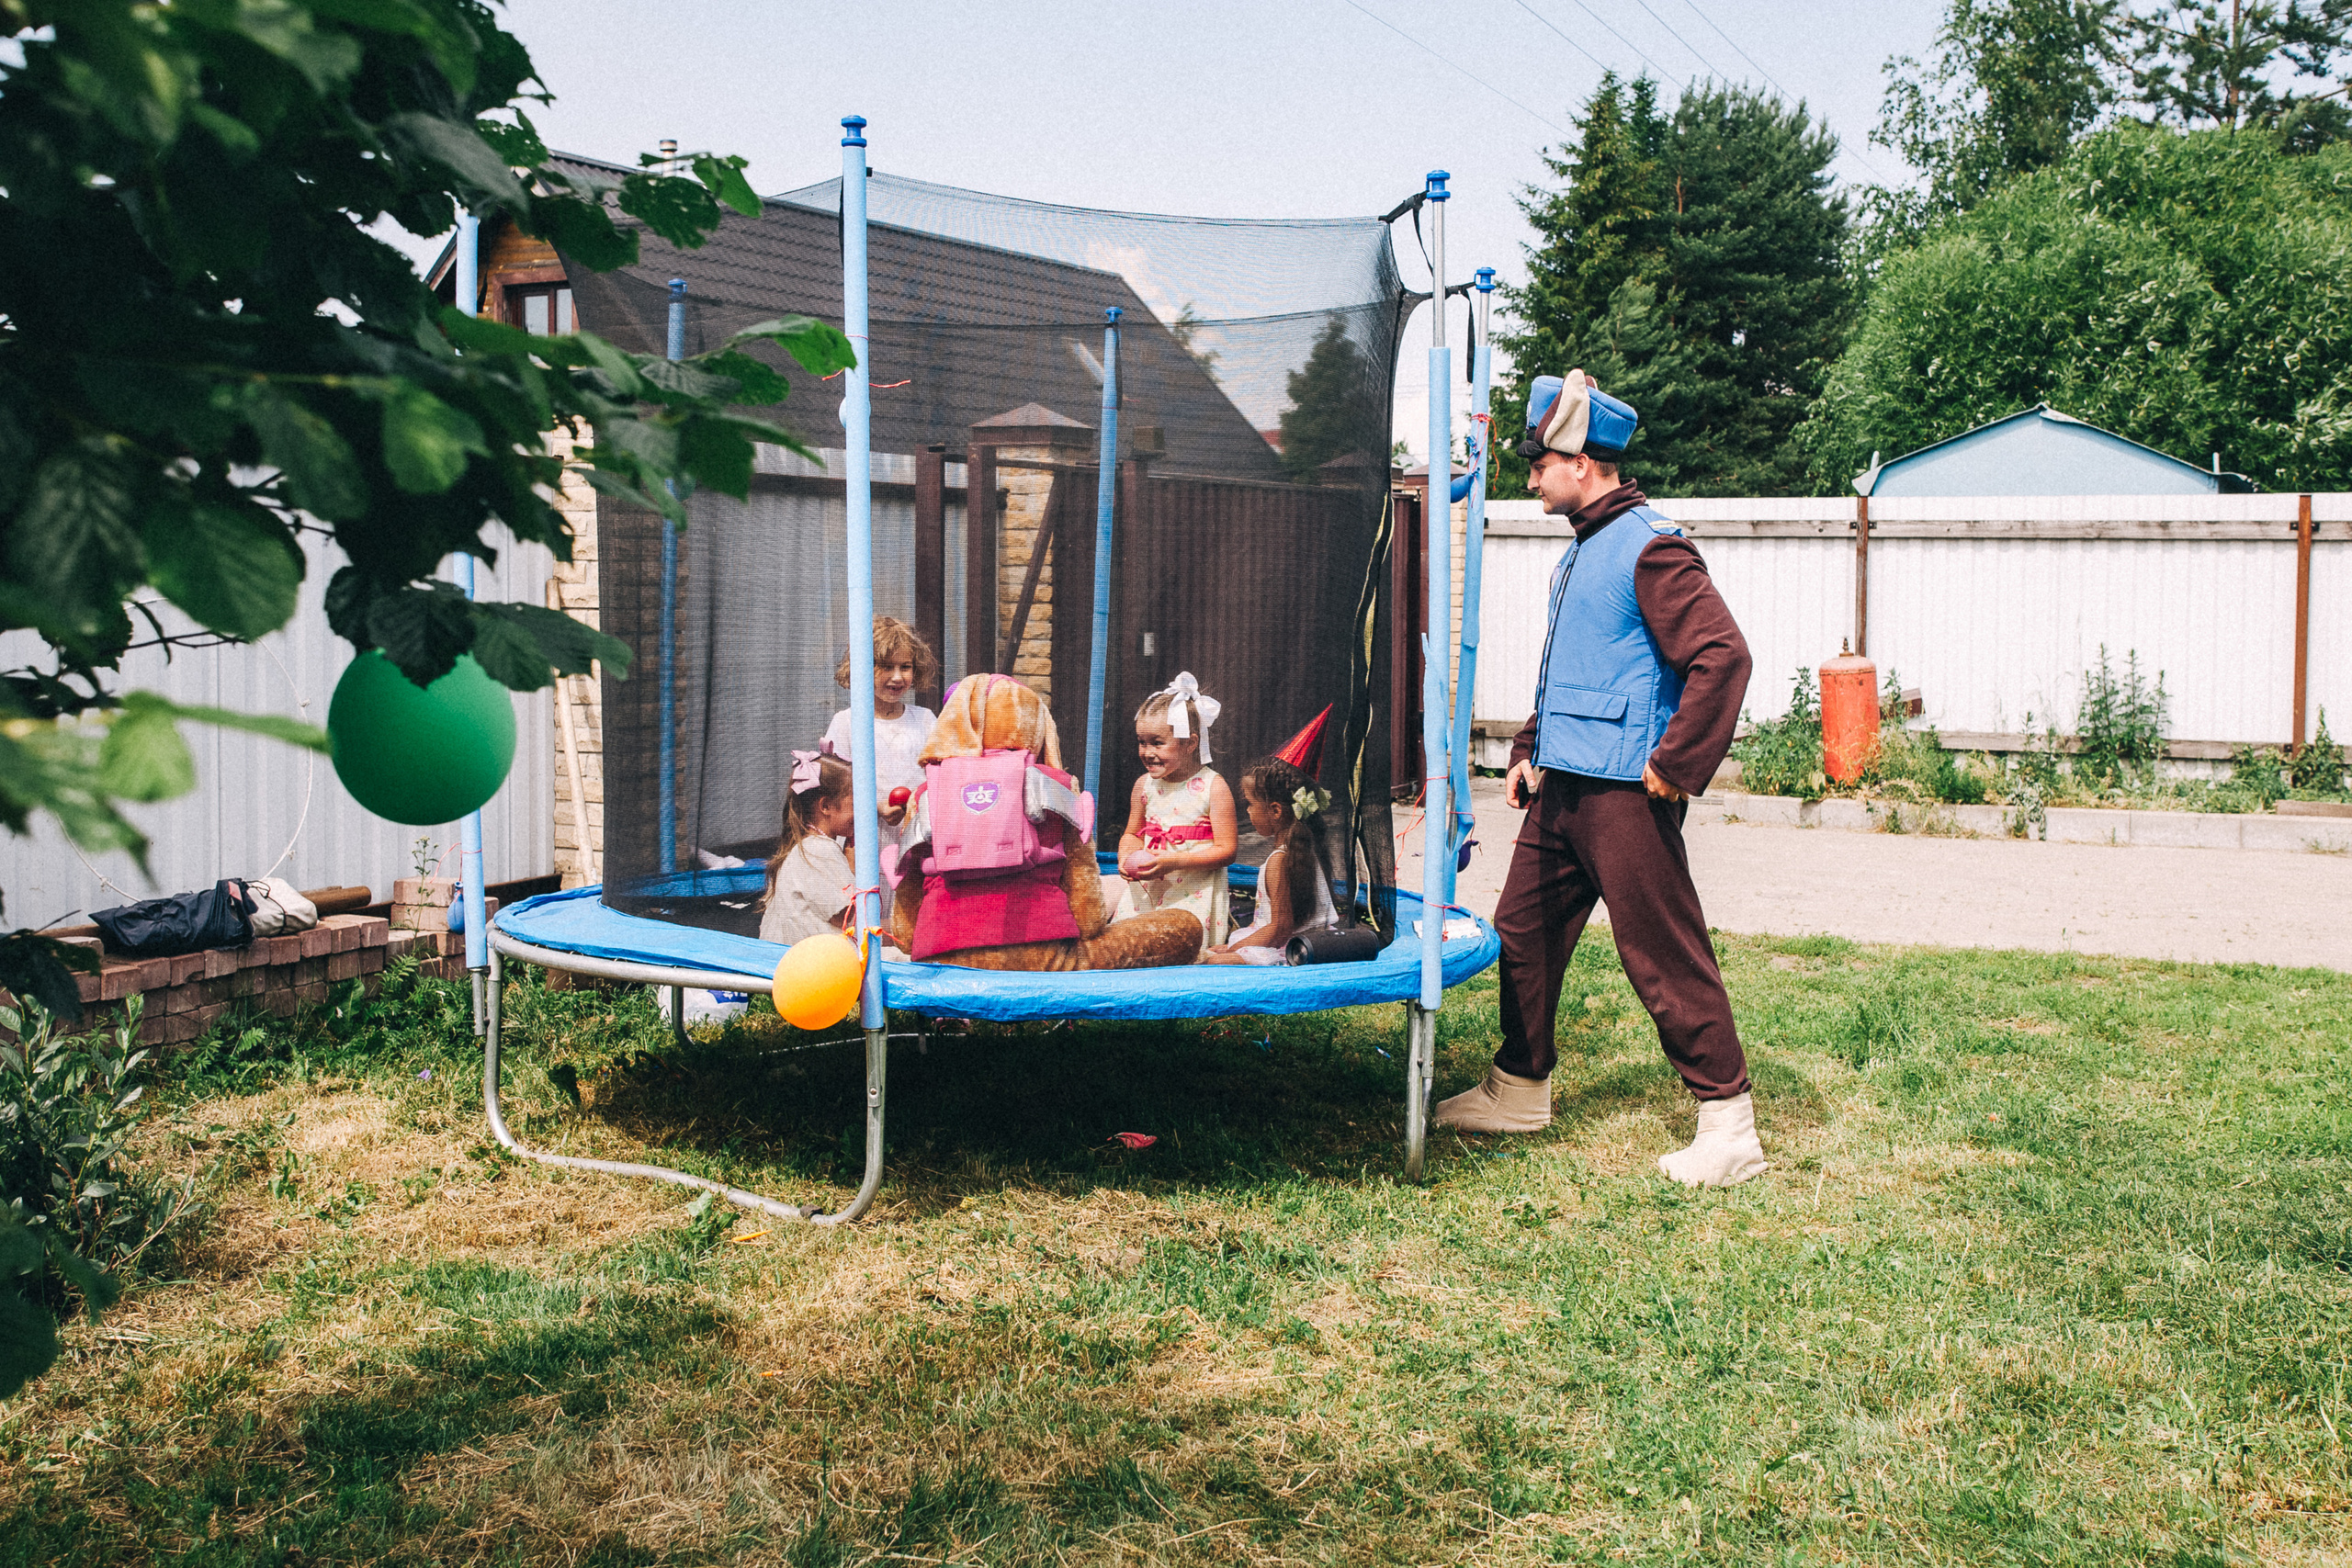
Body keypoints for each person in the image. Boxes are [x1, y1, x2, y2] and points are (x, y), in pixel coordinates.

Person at [1434, 371, 1765, 1188]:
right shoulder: (1582, 549)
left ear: (1583, 461)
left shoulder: (1653, 545)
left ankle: (1729, 1124)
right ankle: (1519, 1087)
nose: (1532, 475)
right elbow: (1568, 671)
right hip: (1563, 789)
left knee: (1660, 951)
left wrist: (1676, 763)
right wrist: (1526, 750)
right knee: (1521, 934)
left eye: (1541, 460)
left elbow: (1724, 656)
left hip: (1626, 792)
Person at [1116, 672, 1237, 946]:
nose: (1147, 752)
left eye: (1158, 743)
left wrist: (1172, 862)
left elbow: (1227, 850)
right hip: (1147, 892)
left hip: (1194, 894)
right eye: (1141, 742)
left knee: (1180, 950)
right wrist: (1126, 857)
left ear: (1190, 743)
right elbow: (1132, 834)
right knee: (1132, 949)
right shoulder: (1143, 785)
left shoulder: (1213, 787)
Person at [1205, 756, 1340, 965]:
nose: (1248, 810)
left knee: (1214, 961)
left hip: (1291, 949)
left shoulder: (1279, 861)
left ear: (1275, 810)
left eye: (1250, 803)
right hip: (1317, 942)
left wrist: (1232, 951)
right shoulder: (1307, 851)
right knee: (1234, 941)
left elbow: (1280, 929)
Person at [824, 615, 938, 832]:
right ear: (862, 668)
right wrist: (876, 806)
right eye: (886, 667)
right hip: (865, 834)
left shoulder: (925, 719)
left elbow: (940, 776)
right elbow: (834, 784)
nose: (897, 677)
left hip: (918, 832)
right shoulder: (846, 722)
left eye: (905, 667)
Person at [757, 748, 862, 946]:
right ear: (825, 807)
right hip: (810, 963)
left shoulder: (807, 847)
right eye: (856, 803)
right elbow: (849, 920)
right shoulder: (819, 851)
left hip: (793, 956)